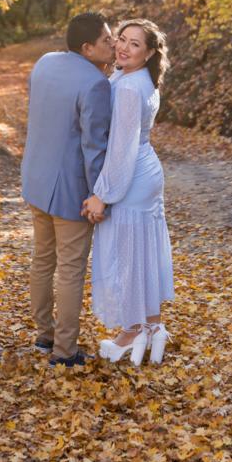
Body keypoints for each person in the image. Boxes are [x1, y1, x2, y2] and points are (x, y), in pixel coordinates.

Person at [21, 12, 114, 367]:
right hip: (70, 191)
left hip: (36, 180)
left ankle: (45, 335)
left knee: (43, 259)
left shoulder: (45, 62)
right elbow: (94, 148)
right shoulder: (96, 84)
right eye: (107, 40)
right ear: (88, 48)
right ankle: (64, 351)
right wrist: (99, 195)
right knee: (71, 270)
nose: (114, 44)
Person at [82, 18, 174, 365]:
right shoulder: (139, 79)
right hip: (146, 169)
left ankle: (133, 331)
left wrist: (102, 194)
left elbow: (121, 149)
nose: (123, 47)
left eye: (134, 44)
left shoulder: (129, 87)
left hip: (133, 175)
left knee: (129, 256)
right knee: (142, 252)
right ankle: (153, 326)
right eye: (121, 39)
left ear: (148, 53)